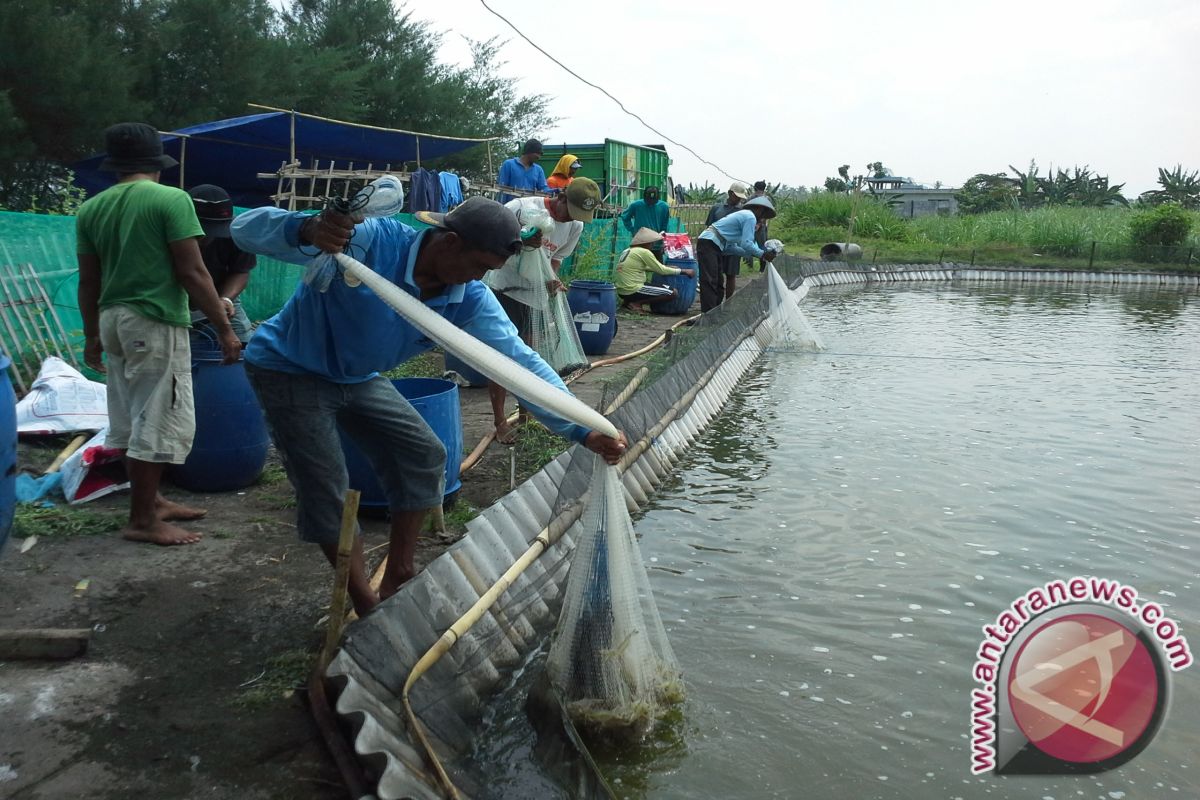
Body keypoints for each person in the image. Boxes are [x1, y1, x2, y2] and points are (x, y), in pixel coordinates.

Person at [230, 194, 625, 614]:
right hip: (290, 368)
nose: (477, 279)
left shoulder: (469, 295)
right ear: (450, 242)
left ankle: (399, 568)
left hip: (357, 376)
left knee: (424, 453)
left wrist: (582, 426)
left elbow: (517, 362)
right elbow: (245, 230)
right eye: (478, 266)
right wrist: (307, 229)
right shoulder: (369, 241)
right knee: (327, 485)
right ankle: (364, 603)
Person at [76, 122, 241, 547]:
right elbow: (191, 271)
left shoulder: (91, 209)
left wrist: (91, 335)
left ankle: (152, 503)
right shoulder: (171, 199)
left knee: (133, 415)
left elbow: (89, 282)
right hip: (153, 319)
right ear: (157, 164)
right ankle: (142, 522)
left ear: (115, 165)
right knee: (157, 415)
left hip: (114, 319)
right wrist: (224, 328)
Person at [488, 178, 601, 444]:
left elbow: (556, 260)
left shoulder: (575, 226)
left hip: (534, 297)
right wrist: (522, 241)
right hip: (503, 289)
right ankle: (500, 422)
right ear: (561, 197)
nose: (570, 219)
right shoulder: (521, 207)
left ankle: (527, 416)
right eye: (569, 211)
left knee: (528, 358)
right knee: (499, 358)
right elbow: (492, 242)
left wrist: (550, 279)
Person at [187, 184, 256, 343]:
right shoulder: (170, 235)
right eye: (205, 229)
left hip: (221, 292)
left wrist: (225, 300)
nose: (208, 236)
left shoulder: (238, 234)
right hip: (178, 296)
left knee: (242, 341)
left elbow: (241, 271)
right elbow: (189, 275)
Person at [696, 195, 777, 312]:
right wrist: (762, 255)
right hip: (708, 242)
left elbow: (735, 247)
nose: (763, 219)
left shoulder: (745, 217)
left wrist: (755, 254)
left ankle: (714, 312)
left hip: (715, 245)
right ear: (759, 209)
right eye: (763, 215)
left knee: (718, 282)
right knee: (710, 280)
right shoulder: (750, 217)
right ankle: (708, 315)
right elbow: (747, 244)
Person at [615, 228, 694, 313]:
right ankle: (636, 303)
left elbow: (641, 267)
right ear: (646, 243)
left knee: (660, 287)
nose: (652, 245)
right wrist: (683, 271)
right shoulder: (644, 252)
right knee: (672, 292)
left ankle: (627, 302)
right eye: (651, 243)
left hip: (621, 291)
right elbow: (661, 270)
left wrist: (667, 267)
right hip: (633, 289)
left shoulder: (628, 251)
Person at [704, 181, 748, 305]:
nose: (738, 199)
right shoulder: (717, 209)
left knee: (731, 274)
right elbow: (709, 227)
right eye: (736, 196)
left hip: (734, 246)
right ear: (730, 194)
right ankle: (715, 303)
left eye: (740, 197)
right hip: (716, 246)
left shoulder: (743, 211)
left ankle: (728, 302)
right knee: (715, 275)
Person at [497, 138, 549, 203]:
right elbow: (501, 188)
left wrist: (556, 190)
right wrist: (501, 208)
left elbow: (544, 189)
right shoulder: (509, 165)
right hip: (509, 208)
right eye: (538, 153)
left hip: (529, 209)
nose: (539, 157)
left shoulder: (538, 170)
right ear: (530, 151)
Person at [746, 180, 770, 273]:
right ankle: (762, 269)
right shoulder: (766, 199)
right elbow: (767, 214)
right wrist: (759, 224)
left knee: (749, 244)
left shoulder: (749, 198)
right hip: (759, 226)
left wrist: (758, 224)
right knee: (762, 246)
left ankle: (750, 266)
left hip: (752, 225)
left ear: (754, 188)